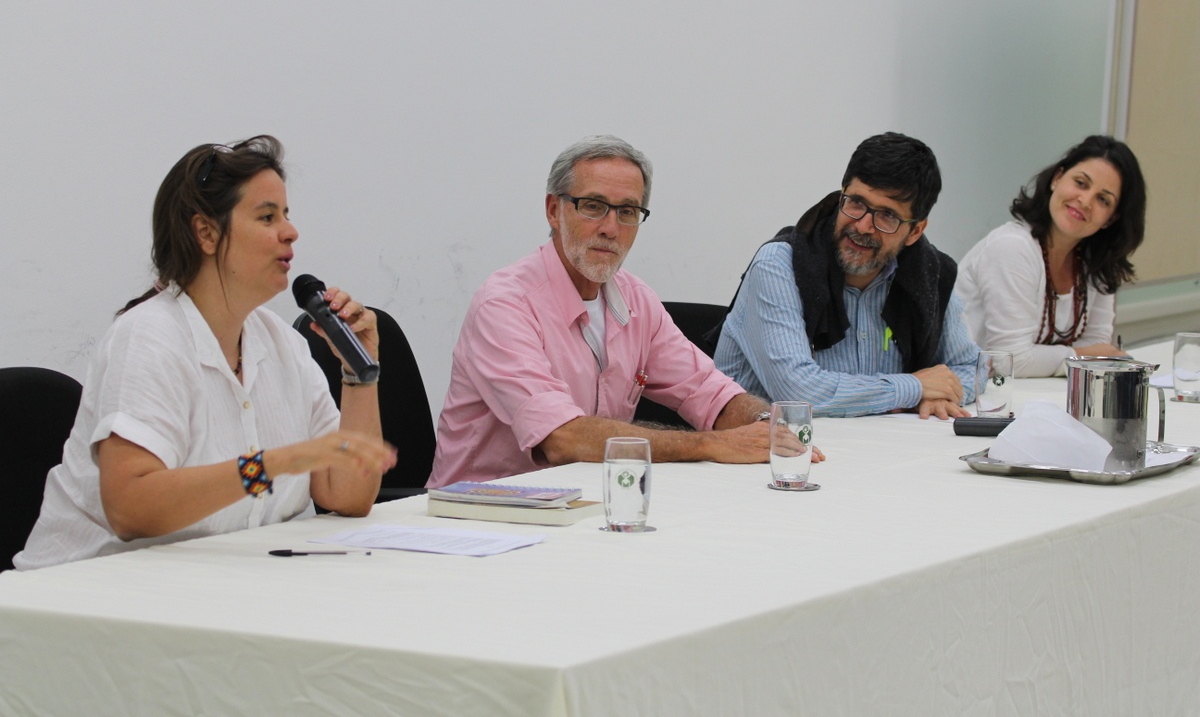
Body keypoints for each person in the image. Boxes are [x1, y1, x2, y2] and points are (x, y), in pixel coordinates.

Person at [15, 136, 395, 570]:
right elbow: (131, 509)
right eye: (267, 216)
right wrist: (269, 465)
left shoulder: (283, 344)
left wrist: (358, 373)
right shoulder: (148, 339)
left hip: (212, 590)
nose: (291, 231)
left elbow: (346, 496)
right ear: (206, 233)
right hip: (82, 602)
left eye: (286, 215)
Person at [427, 135, 823, 488]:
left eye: (628, 212)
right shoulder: (505, 305)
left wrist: (765, 428)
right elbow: (563, 439)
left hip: (593, 506)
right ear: (553, 210)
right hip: (482, 517)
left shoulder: (636, 299)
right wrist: (713, 444)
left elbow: (711, 394)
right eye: (594, 206)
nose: (611, 228)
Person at [713, 132, 978, 419]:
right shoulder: (779, 266)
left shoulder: (930, 274)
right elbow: (798, 392)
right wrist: (914, 388)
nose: (864, 226)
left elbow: (971, 368)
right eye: (856, 203)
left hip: (877, 448)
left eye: (887, 216)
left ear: (915, 231)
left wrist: (940, 394)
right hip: (770, 453)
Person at [955, 135, 1146, 377]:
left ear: (1111, 218)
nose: (1085, 201)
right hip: (970, 400)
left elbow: (1098, 346)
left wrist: (1076, 356)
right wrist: (1079, 355)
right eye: (1081, 183)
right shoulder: (1012, 247)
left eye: (1103, 199)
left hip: (1035, 396)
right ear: (1057, 178)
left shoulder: (1097, 262)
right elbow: (1010, 361)